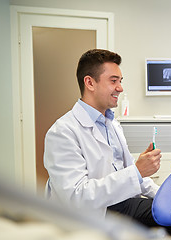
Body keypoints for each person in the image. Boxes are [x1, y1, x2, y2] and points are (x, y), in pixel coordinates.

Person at [43, 49, 162, 228]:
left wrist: (163, 194)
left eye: (120, 81)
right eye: (113, 81)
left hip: (120, 202)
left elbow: (131, 171)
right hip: (92, 215)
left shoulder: (112, 125)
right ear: (90, 83)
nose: (120, 88)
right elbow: (76, 197)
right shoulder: (62, 132)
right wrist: (137, 171)